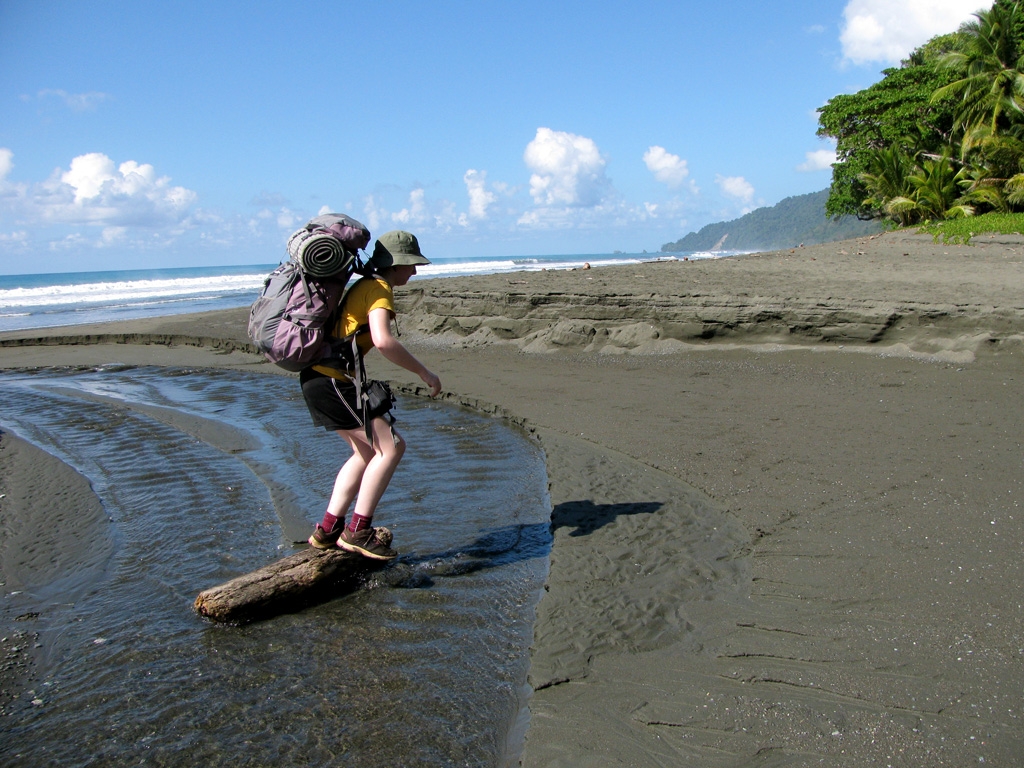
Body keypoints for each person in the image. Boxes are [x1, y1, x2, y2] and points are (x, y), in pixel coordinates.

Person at [300, 230, 442, 560]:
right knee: (391, 447)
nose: (415, 271)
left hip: (318, 380)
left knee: (366, 453)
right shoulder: (378, 289)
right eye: (411, 264)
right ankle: (358, 531)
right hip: (331, 381)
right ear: (395, 265)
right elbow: (382, 340)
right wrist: (425, 373)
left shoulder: (363, 285)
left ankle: (327, 530)